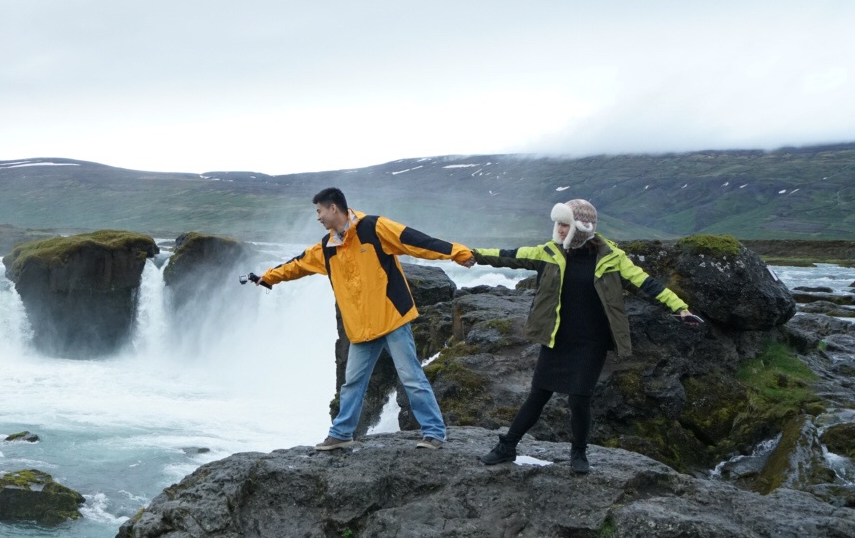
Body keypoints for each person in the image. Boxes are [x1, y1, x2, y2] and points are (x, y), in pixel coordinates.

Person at [474, 199, 702, 475]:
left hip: (591, 341)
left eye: (565, 225)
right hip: (558, 337)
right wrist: (471, 254)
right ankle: (507, 446)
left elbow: (647, 284)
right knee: (538, 395)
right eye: (558, 224)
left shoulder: (611, 257)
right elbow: (507, 255)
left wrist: (680, 307)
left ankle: (579, 453)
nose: (559, 230)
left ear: (581, 227)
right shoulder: (548, 252)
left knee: (579, 399)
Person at [248, 187, 476, 450]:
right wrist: (268, 277)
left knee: (411, 377)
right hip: (360, 327)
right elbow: (298, 264)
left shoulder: (375, 228)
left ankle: (434, 432)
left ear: (334, 208)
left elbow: (416, 241)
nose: (318, 217)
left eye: (319, 211)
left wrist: (457, 252)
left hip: (391, 318)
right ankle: (342, 433)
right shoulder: (328, 247)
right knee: (353, 383)